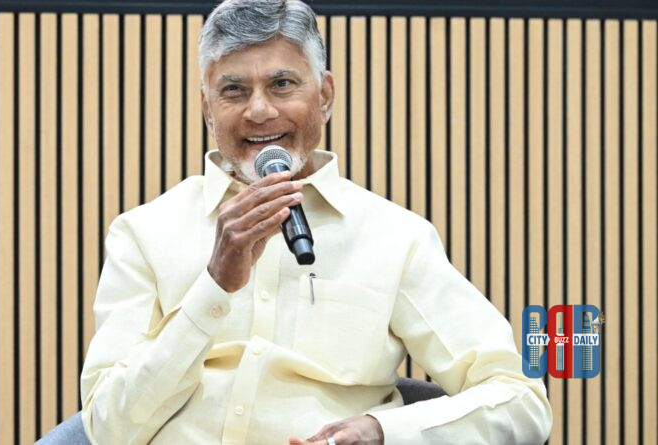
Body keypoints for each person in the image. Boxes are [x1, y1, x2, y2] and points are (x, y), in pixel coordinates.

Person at [80, 0, 553, 443]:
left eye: (282, 84)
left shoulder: (395, 237)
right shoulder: (142, 232)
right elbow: (106, 427)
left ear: (324, 96)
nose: (259, 110)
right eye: (233, 90)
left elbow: (520, 400)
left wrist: (385, 431)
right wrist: (213, 286)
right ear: (207, 108)